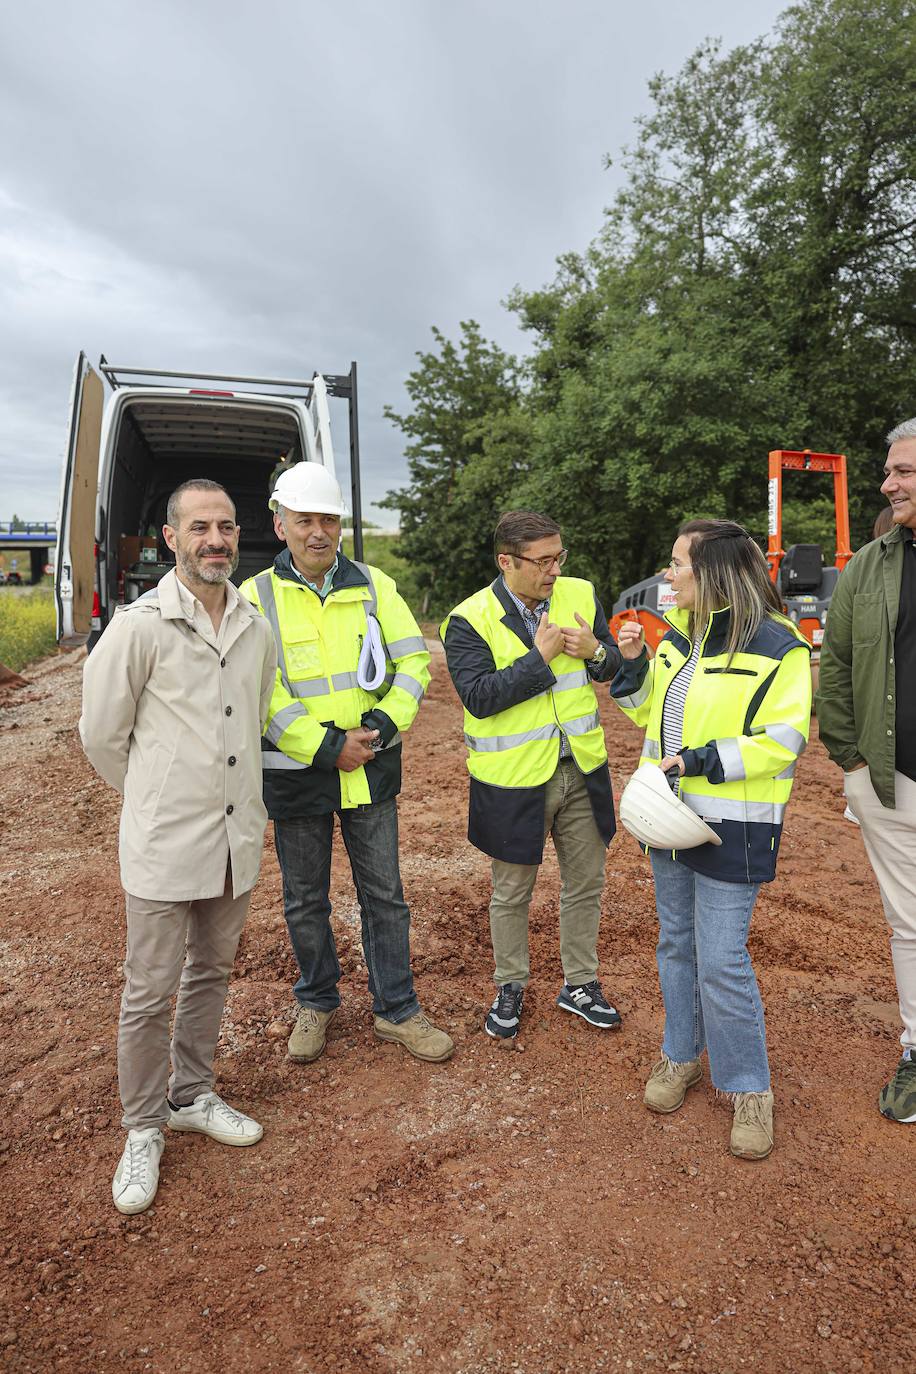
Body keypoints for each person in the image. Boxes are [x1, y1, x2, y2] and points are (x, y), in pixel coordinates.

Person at [80, 479, 278, 1215]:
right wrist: (154, 795)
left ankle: (191, 1094)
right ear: (171, 539)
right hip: (165, 841)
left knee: (211, 974)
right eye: (200, 527)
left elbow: (252, 716)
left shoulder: (256, 626)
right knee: (148, 990)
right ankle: (142, 1127)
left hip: (234, 836)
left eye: (226, 526)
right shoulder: (139, 627)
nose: (216, 540)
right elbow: (101, 735)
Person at [240, 462, 453, 1064]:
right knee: (305, 899)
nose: (318, 531)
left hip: (372, 766)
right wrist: (328, 746)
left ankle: (397, 1009)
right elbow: (259, 691)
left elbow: (414, 664)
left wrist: (382, 727)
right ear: (279, 524)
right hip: (298, 770)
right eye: (304, 519)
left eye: (328, 519)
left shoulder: (376, 585)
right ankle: (316, 1000)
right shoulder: (254, 597)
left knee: (385, 894)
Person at [613, 520, 811, 1159]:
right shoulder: (681, 640)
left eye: (677, 566)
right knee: (675, 943)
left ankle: (749, 1089)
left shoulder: (779, 644)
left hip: (736, 823)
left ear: (717, 573)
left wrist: (699, 760)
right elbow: (649, 716)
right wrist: (633, 665)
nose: (668, 577)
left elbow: (783, 741)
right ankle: (680, 1055)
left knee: (721, 959)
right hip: (667, 819)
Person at [441, 511, 622, 1041]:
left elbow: (610, 668)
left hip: (582, 768)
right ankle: (510, 983)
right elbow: (478, 697)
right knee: (512, 890)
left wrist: (597, 653)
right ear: (507, 562)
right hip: (513, 780)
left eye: (558, 557)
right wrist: (538, 659)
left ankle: (581, 983)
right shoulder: (468, 618)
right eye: (542, 561)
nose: (553, 570)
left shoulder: (581, 594)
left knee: (586, 883)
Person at [817, 419, 916, 1124]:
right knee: (909, 927)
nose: (887, 483)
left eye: (903, 471)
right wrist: (851, 762)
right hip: (889, 780)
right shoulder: (870, 565)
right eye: (888, 471)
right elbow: (840, 667)